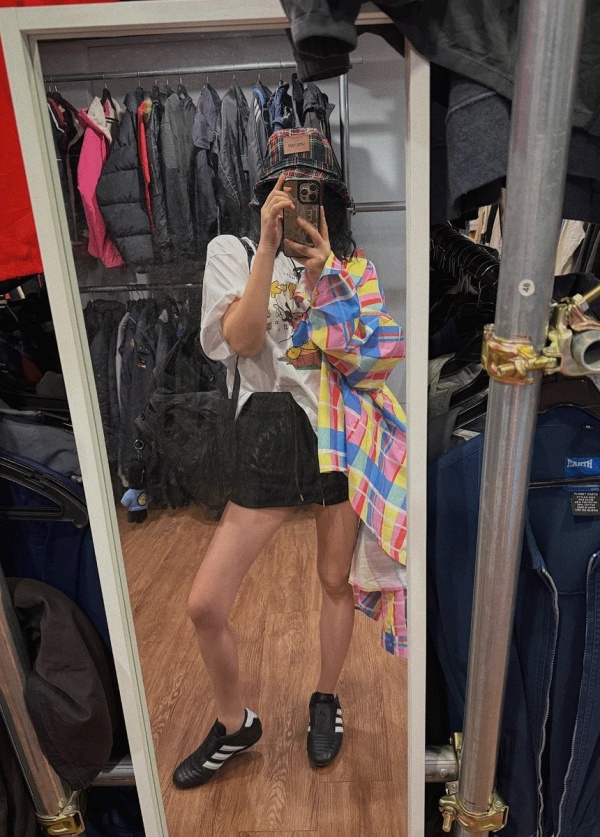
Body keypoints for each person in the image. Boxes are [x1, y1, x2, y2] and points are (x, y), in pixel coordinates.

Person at [172, 128, 406, 790]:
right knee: (205, 602)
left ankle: (325, 697)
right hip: (269, 435)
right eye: (289, 189)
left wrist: (324, 274)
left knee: (335, 581)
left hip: (336, 436)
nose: (303, 201)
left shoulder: (351, 267)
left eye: (314, 191)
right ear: (264, 195)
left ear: (332, 199)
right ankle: (234, 722)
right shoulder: (234, 251)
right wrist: (269, 249)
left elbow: (368, 363)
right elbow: (243, 342)